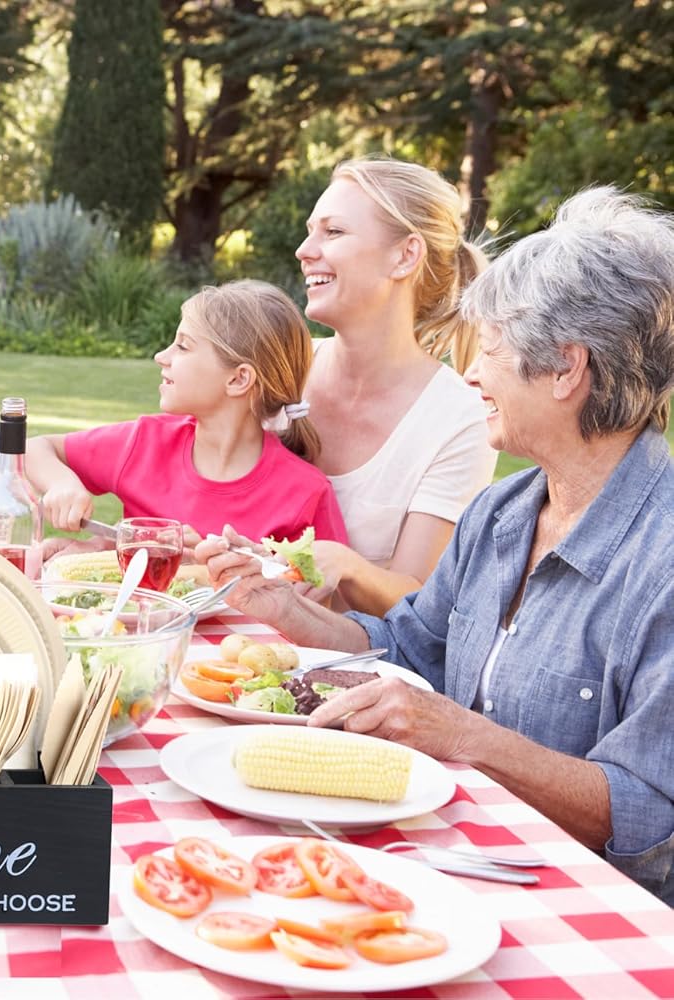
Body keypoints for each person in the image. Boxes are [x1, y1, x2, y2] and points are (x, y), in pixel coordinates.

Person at [199, 188, 674, 901]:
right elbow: (409, 649)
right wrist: (288, 611)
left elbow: (648, 814)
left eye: (492, 350)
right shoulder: (499, 515)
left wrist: (464, 735)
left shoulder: (662, 563)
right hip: (451, 860)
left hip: (584, 905)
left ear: (566, 368)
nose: (473, 373)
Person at [278, 157, 498, 612]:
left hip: (358, 656)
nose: (304, 250)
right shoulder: (281, 371)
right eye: (310, 231)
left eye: (333, 232)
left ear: (405, 256)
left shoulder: (460, 418)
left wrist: (347, 566)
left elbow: (418, 600)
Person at [27, 280, 347, 548]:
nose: (161, 356)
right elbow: (34, 448)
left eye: (182, 346)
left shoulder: (306, 494)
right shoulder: (144, 443)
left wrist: (217, 568)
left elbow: (322, 596)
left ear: (238, 379)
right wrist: (62, 483)